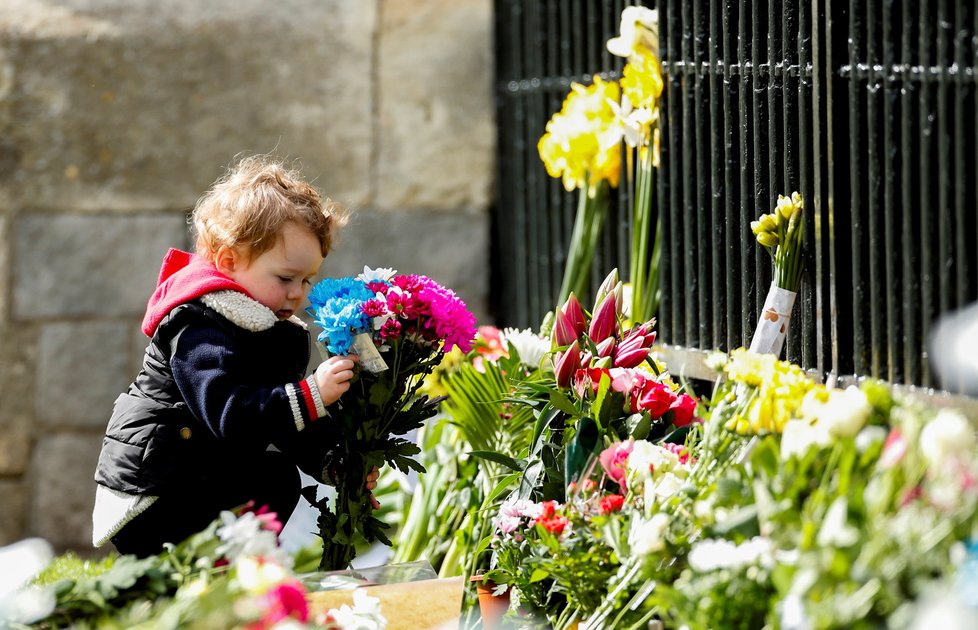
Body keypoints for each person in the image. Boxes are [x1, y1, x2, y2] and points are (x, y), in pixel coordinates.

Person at [92, 155, 375, 557]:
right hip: (154, 490)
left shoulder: (267, 329)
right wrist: (312, 393)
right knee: (271, 479)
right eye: (285, 278)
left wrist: (338, 463)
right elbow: (233, 415)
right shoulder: (198, 324)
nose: (299, 293)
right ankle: (223, 580)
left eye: (308, 279)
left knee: (275, 476)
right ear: (228, 262)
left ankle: (231, 581)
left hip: (196, 471)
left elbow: (289, 424)